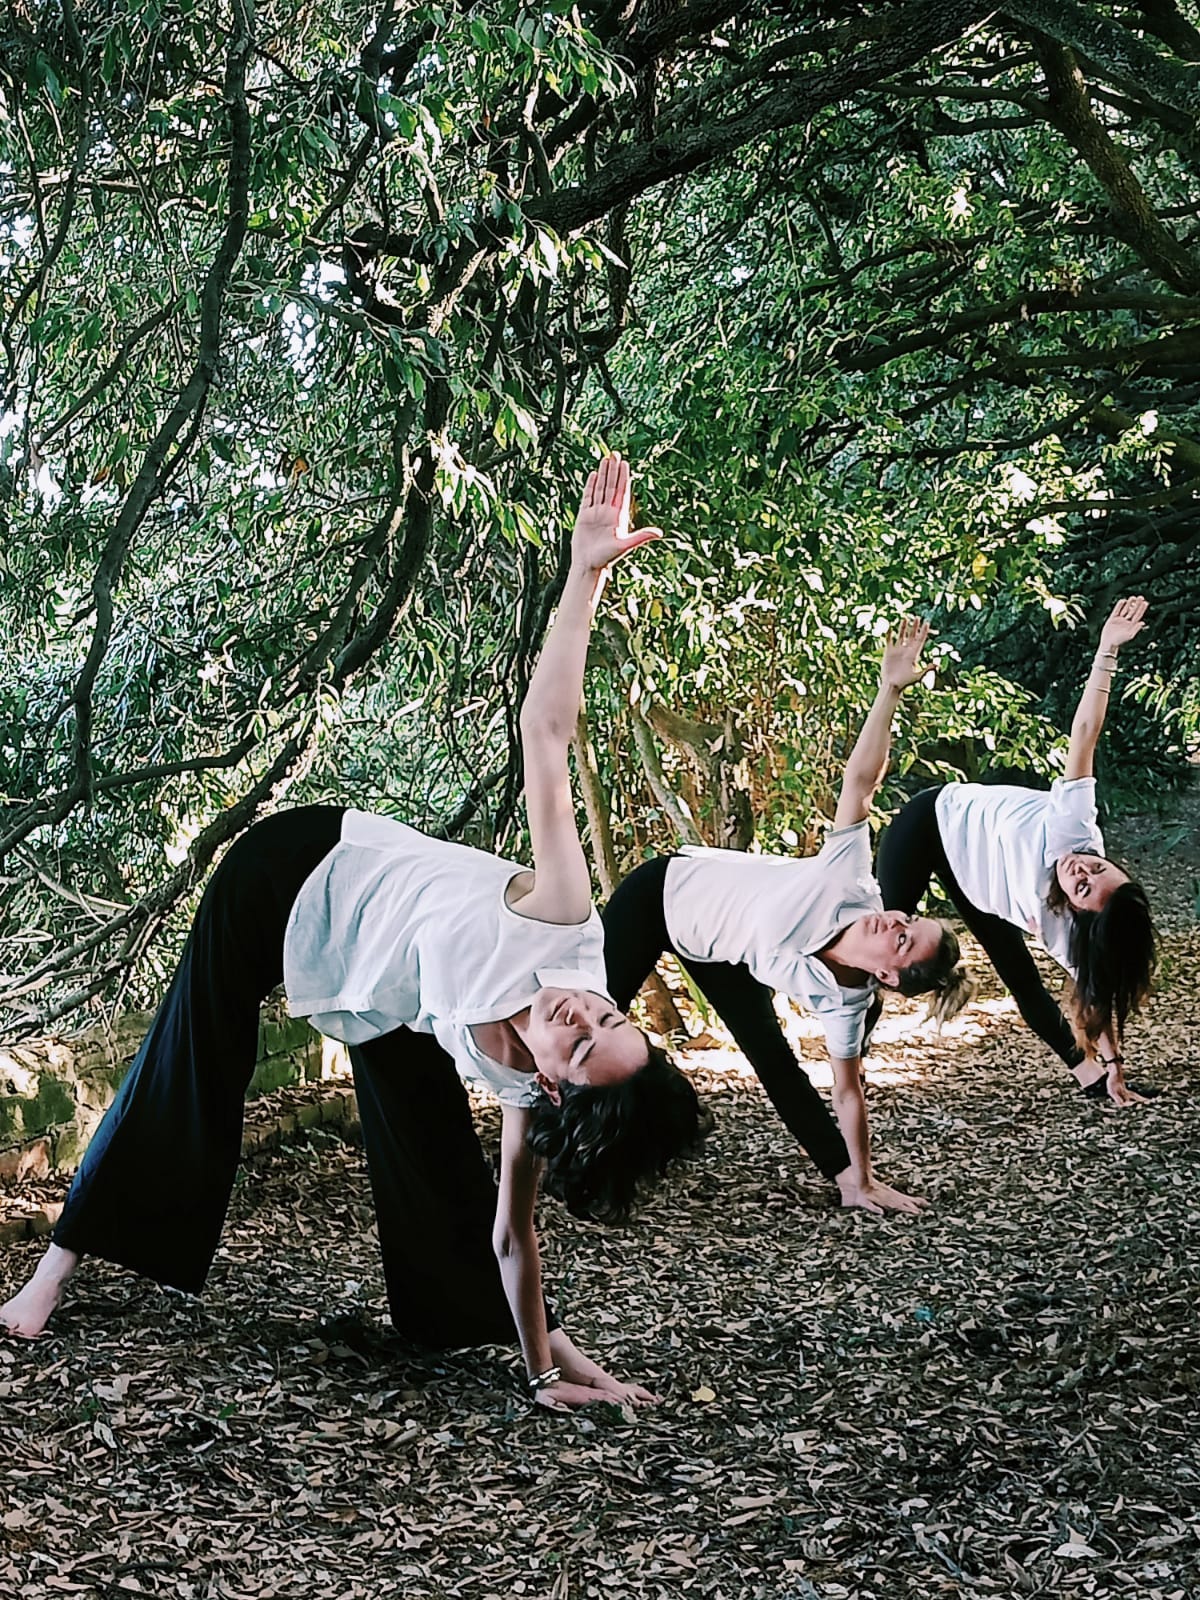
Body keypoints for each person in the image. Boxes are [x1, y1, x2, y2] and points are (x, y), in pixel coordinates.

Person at [1, 456, 707, 1410]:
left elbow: (513, 1233)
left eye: (581, 1046)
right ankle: (52, 1273)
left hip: (378, 985)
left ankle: (470, 1326)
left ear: (549, 1085)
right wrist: (584, 576)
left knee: (439, 1153)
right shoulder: (563, 918)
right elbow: (546, 733)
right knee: (191, 1057)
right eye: (610, 1017)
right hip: (296, 872)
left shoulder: (518, 1090)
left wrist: (549, 1372)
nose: (583, 1013)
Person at [602, 619, 971, 1217]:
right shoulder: (848, 883)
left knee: (775, 1062)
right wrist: (890, 690)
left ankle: (847, 1183)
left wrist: (862, 1177)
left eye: (904, 941)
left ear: (888, 977)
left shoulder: (845, 1004)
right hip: (659, 896)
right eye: (907, 919)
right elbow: (861, 783)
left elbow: (847, 1092)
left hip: (722, 952)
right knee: (599, 1019)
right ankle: (540, 1138)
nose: (893, 921)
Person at [875, 596, 1157, 1108]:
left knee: (1023, 980)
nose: (1080, 868)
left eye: (1082, 886)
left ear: (1074, 911)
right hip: (931, 821)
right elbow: (1085, 734)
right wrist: (1107, 650)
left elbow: (1095, 992)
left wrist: (1115, 1067)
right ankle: (850, 1051)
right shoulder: (1073, 827)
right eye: (1098, 868)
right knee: (880, 952)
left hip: (979, 882)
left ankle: (1090, 1077)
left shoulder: (1064, 932)